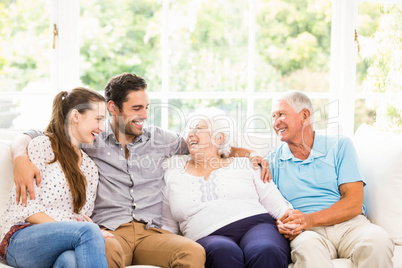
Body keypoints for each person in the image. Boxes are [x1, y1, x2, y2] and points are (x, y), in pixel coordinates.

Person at [11, 73, 270, 268]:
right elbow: (41, 134)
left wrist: (251, 154)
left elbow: (205, 143)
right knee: (103, 250)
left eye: (146, 107)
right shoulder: (91, 138)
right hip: (111, 230)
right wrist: (21, 157)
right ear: (112, 108)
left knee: (192, 252)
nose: (144, 115)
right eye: (136, 109)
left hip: (151, 232)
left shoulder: (161, 139)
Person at [267, 90, 394, 268]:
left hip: (349, 226)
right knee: (306, 249)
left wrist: (310, 219)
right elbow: (269, 204)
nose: (275, 122)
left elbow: (354, 202)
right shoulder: (272, 161)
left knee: (378, 241)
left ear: (304, 116)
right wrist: (282, 223)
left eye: (281, 114)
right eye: (273, 117)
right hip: (308, 233)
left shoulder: (339, 146)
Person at [162, 108, 292, 268]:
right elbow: (167, 226)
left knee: (266, 249)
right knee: (222, 252)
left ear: (219, 138)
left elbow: (278, 207)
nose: (189, 134)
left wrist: (293, 220)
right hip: (206, 235)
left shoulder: (245, 164)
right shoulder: (172, 174)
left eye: (197, 128)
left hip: (257, 225)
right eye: (188, 130)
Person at [0, 87, 108, 268]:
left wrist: (80, 227)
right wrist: (80, 230)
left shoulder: (90, 167)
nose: (102, 128)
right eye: (98, 119)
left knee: (70, 261)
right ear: (76, 116)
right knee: (90, 231)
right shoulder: (41, 146)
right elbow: (28, 210)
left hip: (62, 243)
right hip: (22, 238)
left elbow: (80, 216)